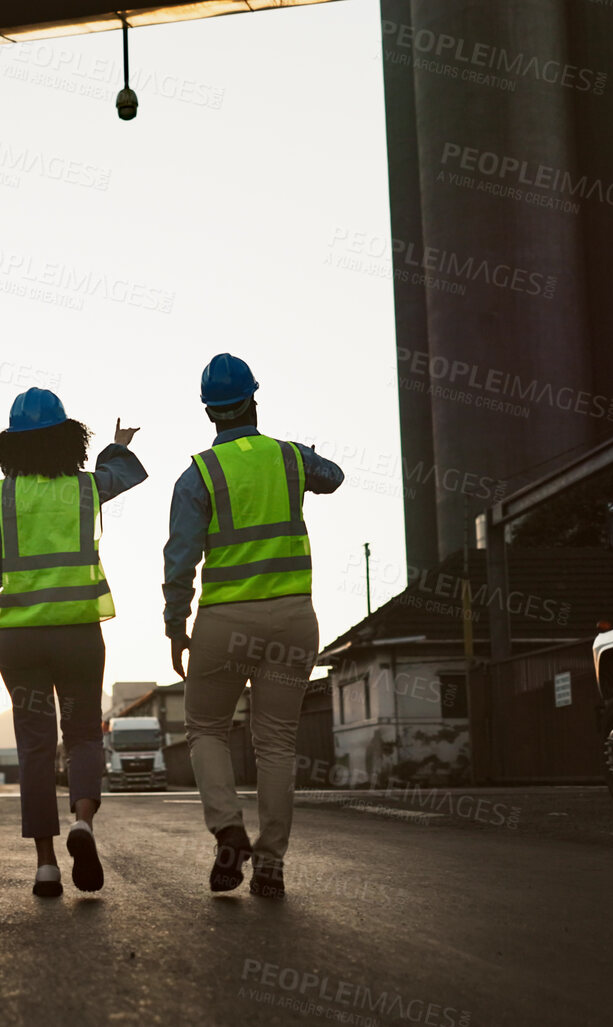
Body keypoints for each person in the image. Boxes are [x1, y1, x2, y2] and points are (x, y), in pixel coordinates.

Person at [163, 354, 343, 899]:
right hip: (291, 620)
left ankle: (227, 827)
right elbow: (333, 477)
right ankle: (270, 865)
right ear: (254, 400)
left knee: (207, 729)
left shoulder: (198, 475)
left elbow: (179, 558)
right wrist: (300, 454)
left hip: (224, 623)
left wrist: (176, 624)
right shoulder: (288, 458)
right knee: (277, 743)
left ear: (209, 412)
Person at [0, 387, 146, 898]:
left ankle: (46, 866)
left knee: (35, 748)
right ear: (70, 440)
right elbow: (124, 475)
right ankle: (84, 823)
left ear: (11, 448)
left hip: (19, 641)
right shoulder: (86, 489)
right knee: (85, 735)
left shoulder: (5, 497)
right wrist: (117, 444)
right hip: (78, 635)